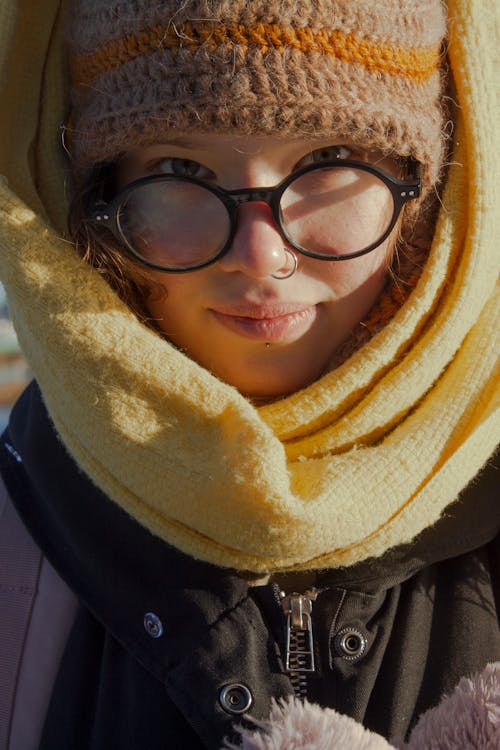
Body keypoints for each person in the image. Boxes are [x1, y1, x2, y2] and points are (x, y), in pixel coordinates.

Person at [0, 0, 498, 748]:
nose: (262, 256)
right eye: (179, 168)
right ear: (93, 197)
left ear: (429, 192)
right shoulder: (17, 541)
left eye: (330, 161)